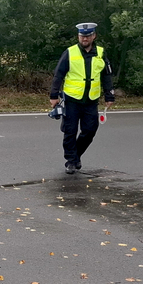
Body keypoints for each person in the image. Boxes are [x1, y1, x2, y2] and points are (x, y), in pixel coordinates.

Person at [49, 22, 115, 172]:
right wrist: (54, 95)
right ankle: (71, 161)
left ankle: (76, 155)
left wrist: (109, 95)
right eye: (82, 36)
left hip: (91, 101)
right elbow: (59, 74)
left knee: (90, 130)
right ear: (78, 36)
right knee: (70, 132)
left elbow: (106, 76)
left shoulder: (101, 53)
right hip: (72, 100)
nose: (84, 39)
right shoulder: (70, 52)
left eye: (88, 36)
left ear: (94, 36)